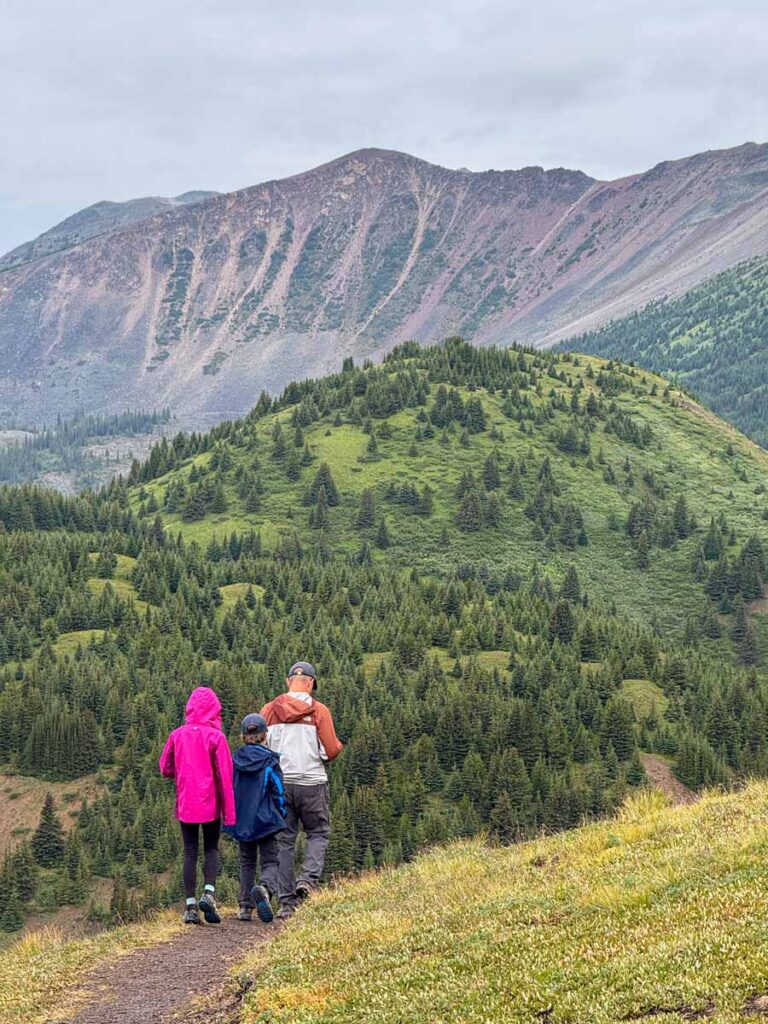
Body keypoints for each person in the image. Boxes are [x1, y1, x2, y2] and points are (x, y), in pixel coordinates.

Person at [261, 661, 343, 918]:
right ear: (310, 684)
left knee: (285, 840)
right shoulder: (319, 711)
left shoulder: (269, 710)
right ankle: (307, 880)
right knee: (318, 832)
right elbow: (332, 749)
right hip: (312, 781)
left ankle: (286, 904)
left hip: (281, 783)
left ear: (289, 682)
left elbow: (262, 749)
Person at [159, 686, 235, 925]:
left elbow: (165, 768)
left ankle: (190, 906)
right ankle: (209, 893)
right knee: (211, 848)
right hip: (210, 804)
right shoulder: (216, 737)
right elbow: (225, 775)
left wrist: (182, 772)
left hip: (186, 804)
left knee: (190, 852)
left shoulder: (177, 735)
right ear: (214, 710)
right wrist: (230, 813)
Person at [223, 713, 287, 923]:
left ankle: (244, 907)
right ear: (264, 735)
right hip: (266, 819)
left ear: (243, 736)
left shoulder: (235, 760)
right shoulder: (270, 760)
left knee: (246, 861)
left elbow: (229, 789)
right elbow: (277, 789)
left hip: (242, 820)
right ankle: (266, 889)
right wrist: (281, 813)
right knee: (270, 860)